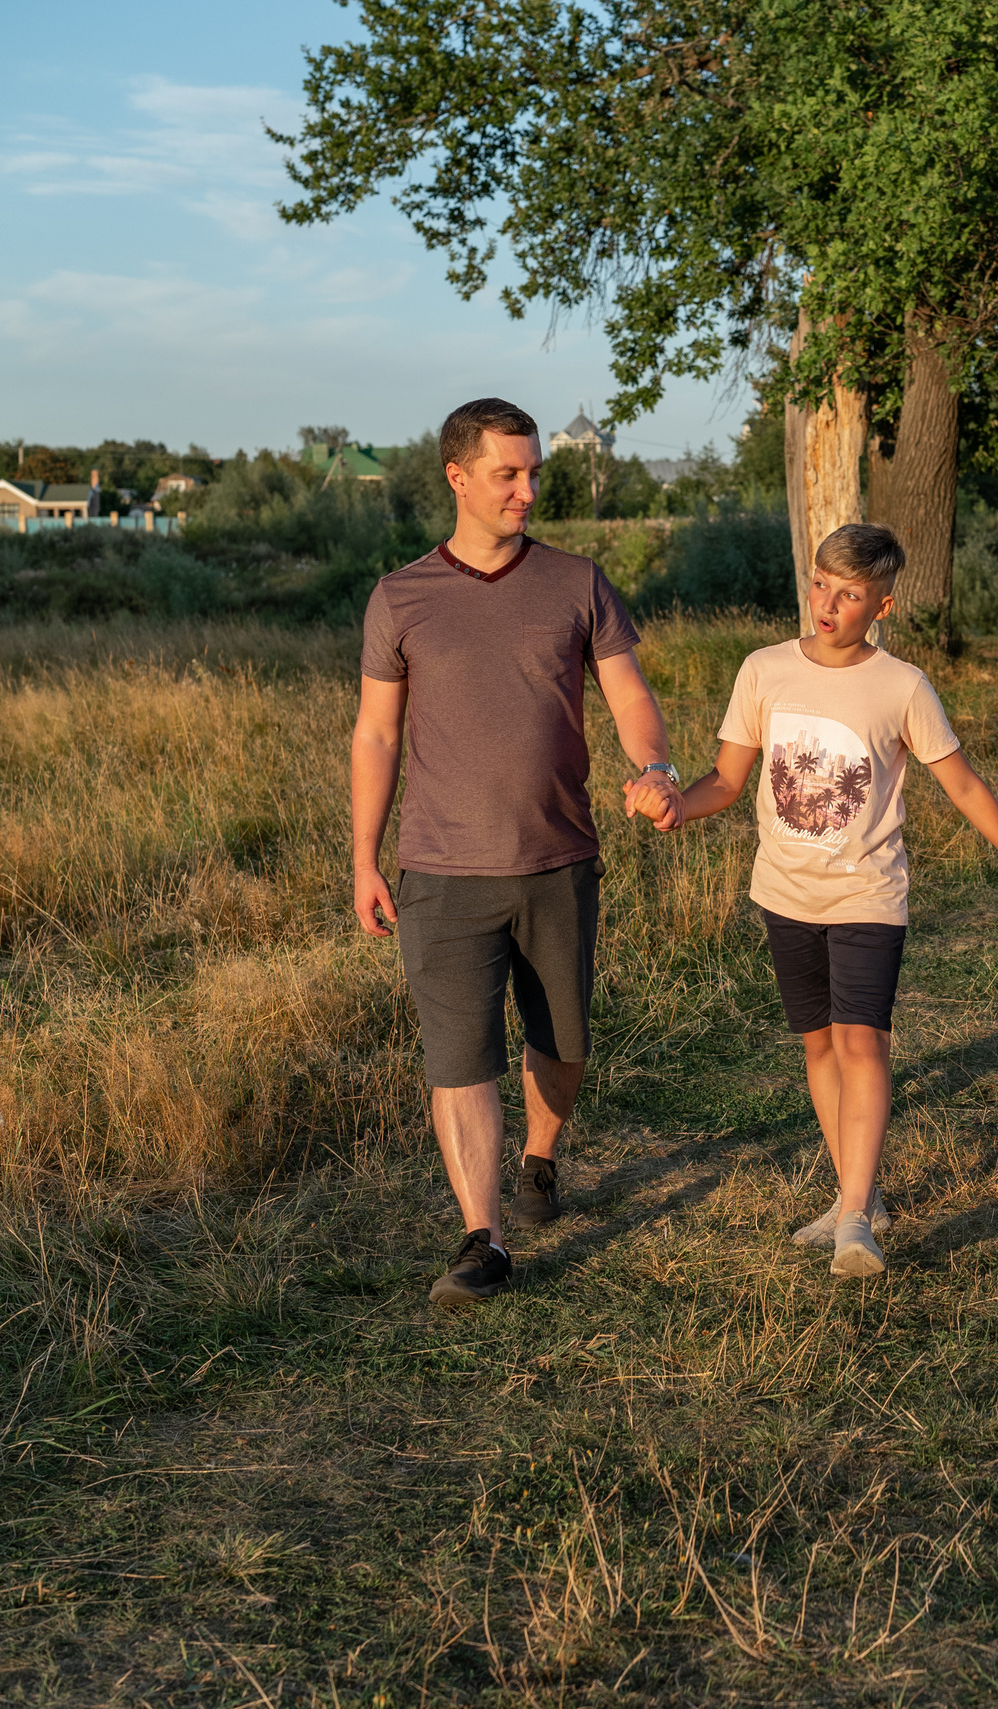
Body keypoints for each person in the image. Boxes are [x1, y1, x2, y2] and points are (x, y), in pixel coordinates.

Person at [352, 397, 683, 1310]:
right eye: (509, 473)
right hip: (438, 870)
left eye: (535, 471)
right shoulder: (401, 595)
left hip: (557, 859)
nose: (528, 489)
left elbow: (628, 695)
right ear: (458, 477)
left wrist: (654, 767)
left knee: (561, 1044)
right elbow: (377, 738)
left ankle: (541, 1153)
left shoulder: (577, 582)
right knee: (460, 1059)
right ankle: (482, 1237)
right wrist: (363, 857)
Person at [659, 523, 998, 1278]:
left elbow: (963, 783)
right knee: (817, 1044)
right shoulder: (763, 670)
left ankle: (852, 1220)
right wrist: (680, 805)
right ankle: (859, 1198)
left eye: (847, 593)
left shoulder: (901, 685)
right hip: (785, 892)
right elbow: (727, 779)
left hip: (868, 894)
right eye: (819, 584)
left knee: (862, 1040)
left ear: (883, 604)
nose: (827, 603)